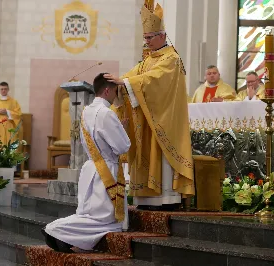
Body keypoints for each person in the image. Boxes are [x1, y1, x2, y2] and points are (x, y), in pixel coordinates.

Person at [104, 3, 194, 210]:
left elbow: (154, 80)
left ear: (162, 35)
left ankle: (166, 199)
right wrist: (118, 82)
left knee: (159, 154)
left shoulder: (171, 59)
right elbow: (133, 75)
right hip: (147, 119)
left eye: (150, 37)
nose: (146, 42)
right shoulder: (148, 60)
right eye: (145, 38)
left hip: (165, 121)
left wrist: (126, 83)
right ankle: (146, 198)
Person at [42, 73, 131, 253]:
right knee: (104, 220)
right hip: (106, 170)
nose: (116, 96)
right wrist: (123, 129)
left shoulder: (86, 111)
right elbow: (122, 147)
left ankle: (66, 239)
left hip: (91, 167)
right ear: (107, 90)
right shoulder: (107, 113)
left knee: (94, 215)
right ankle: (56, 230)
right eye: (115, 91)